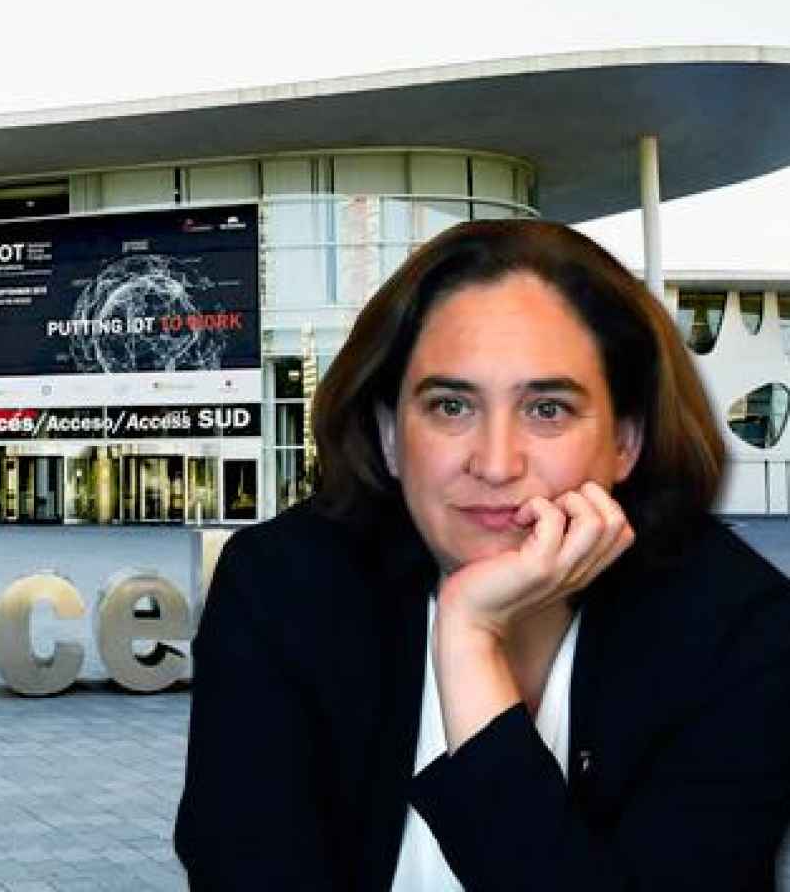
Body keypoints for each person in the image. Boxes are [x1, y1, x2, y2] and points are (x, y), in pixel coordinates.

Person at [175, 220, 790, 889]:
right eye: (450, 406)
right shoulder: (280, 589)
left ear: (626, 441)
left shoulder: (737, 631)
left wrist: (469, 645)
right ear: (389, 437)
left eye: (548, 409)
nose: (496, 464)